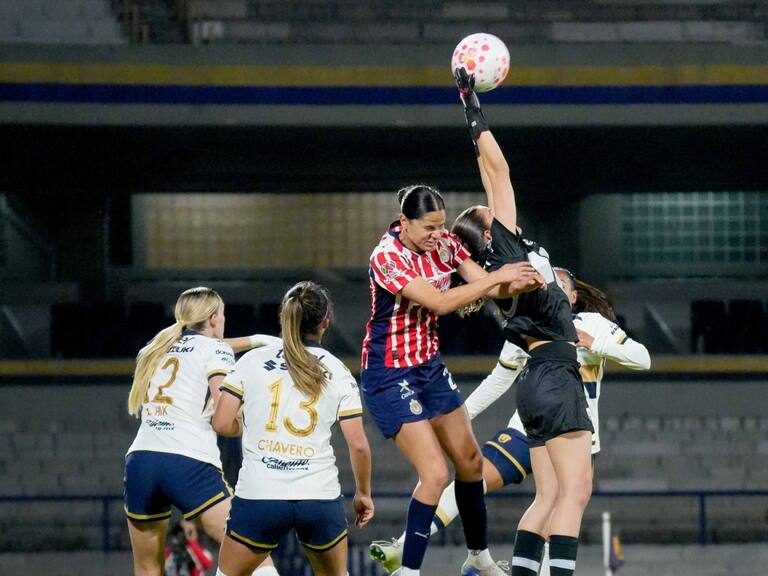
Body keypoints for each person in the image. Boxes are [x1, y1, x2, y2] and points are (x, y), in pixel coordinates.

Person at [369, 269, 651, 574]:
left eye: (557, 286)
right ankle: (404, 545)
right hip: (529, 430)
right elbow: (497, 381)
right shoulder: (529, 327)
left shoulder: (592, 324)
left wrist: (594, 344)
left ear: (571, 298)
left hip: (578, 434)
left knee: (553, 506)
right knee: (479, 480)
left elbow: (642, 358)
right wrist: (456, 420)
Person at [362, 182, 544, 576]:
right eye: (428, 227)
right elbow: (440, 302)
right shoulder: (387, 256)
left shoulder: (444, 243)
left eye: (441, 225)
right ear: (404, 223)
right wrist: (498, 280)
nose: (436, 235)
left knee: (471, 463)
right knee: (435, 474)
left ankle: (477, 555)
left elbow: (488, 282)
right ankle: (407, 570)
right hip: (389, 373)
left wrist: (523, 280)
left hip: (427, 367)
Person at [453, 67, 591, 576]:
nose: (494, 210)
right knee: (575, 494)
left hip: (533, 384)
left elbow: (489, 174)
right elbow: (500, 169)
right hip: (555, 377)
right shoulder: (506, 252)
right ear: (488, 236)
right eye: (487, 215)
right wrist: (471, 105)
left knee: (548, 495)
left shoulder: (491, 270)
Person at [213, 281, 374, 576]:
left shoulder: (252, 360)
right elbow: (359, 445)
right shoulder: (337, 370)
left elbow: (221, 423)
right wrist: (363, 493)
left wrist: (250, 426)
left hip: (260, 495)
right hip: (318, 497)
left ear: (285, 317)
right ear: (325, 320)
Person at [123, 286, 278, 576]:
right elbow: (225, 414)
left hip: (141, 462)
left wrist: (254, 341)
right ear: (213, 318)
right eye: (222, 315)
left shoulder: (157, 347)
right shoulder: (215, 350)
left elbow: (202, 346)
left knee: (147, 568)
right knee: (254, 553)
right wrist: (241, 424)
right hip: (187, 462)